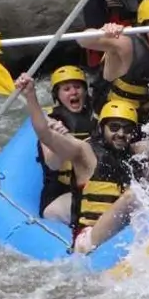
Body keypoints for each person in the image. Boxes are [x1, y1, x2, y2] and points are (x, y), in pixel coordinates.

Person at [15, 72, 147, 253]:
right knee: (133, 195)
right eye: (115, 128)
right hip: (88, 237)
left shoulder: (133, 151)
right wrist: (31, 96)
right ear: (103, 129)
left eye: (127, 129)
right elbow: (44, 134)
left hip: (113, 225)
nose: (121, 134)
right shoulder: (84, 151)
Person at [77, 0, 149, 130]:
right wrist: (102, 31)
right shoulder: (125, 43)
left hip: (145, 120)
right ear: (144, 25)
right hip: (113, 122)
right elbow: (82, 40)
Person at [36, 65, 96, 223]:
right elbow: (53, 164)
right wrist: (57, 140)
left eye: (77, 87)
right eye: (66, 89)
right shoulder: (49, 125)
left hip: (93, 187)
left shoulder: (96, 120)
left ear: (85, 91)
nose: (73, 92)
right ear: (58, 95)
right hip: (60, 194)